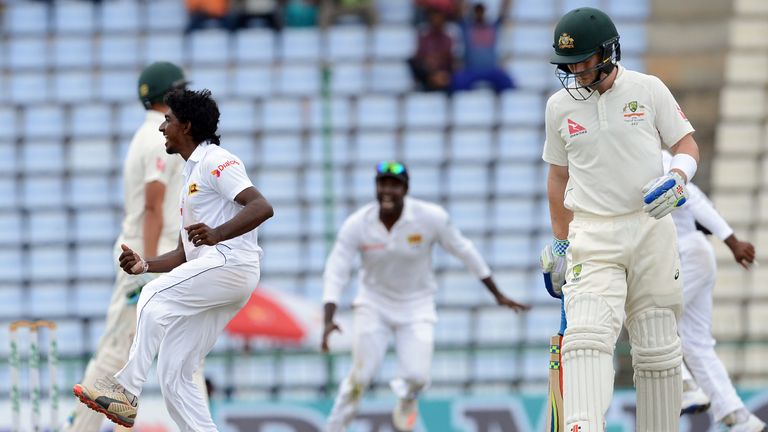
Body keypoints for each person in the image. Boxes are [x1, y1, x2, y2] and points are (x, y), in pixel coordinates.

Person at [72, 88, 274, 431]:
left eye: (168, 120)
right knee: (174, 372)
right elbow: (184, 253)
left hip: (231, 264)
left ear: (187, 126)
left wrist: (218, 234)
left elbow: (262, 206)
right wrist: (145, 265)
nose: (162, 127)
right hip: (218, 272)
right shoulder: (190, 174)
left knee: (153, 296)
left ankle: (125, 392)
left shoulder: (216, 160)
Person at [540, 7, 701, 432]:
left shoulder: (647, 89)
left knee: (657, 347)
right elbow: (558, 177)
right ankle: (582, 426)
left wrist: (678, 177)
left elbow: (686, 144)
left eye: (583, 61)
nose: (574, 72)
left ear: (608, 53)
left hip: (650, 227)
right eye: (568, 65)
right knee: (586, 337)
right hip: (592, 232)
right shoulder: (558, 107)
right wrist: (561, 242)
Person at [322, 161, 530, 432]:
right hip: (373, 304)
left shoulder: (430, 218)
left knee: (418, 376)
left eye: (394, 185)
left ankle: (408, 396)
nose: (387, 191)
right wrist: (328, 318)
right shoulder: (358, 224)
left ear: (406, 189)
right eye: (382, 184)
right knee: (359, 378)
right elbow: (336, 270)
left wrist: (497, 294)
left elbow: (464, 251)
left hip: (416, 305)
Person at [64, 61, 209, 432]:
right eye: (181, 90)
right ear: (168, 95)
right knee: (120, 350)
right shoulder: (157, 137)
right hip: (147, 261)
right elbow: (152, 206)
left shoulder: (153, 134)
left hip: (163, 261)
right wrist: (147, 266)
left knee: (184, 355)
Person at [659, 152, 766, 431]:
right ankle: (738, 416)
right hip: (695, 254)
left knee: (646, 316)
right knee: (696, 342)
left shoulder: (652, 157)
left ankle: (684, 384)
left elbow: (692, 196)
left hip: (684, 254)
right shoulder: (653, 156)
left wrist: (732, 242)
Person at [451, 0, 514, 93]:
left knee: (507, 83)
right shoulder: (467, 27)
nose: (479, 13)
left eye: (481, 11)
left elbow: (503, 12)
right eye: (477, 11)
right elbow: (458, 13)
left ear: (484, 12)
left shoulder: (493, 27)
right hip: (471, 70)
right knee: (458, 82)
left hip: (492, 70)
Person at [408, 9, 454, 92]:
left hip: (445, 77)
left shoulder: (448, 39)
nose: (436, 22)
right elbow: (418, 59)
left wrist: (442, 74)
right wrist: (431, 75)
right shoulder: (424, 39)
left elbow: (451, 62)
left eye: (439, 19)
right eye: (434, 19)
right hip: (426, 78)